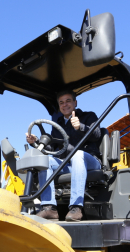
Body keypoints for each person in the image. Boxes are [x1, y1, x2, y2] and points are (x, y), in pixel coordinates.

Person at [26, 90, 102, 221]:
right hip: (68, 163)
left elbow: (97, 135)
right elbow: (53, 148)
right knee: (46, 160)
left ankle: (76, 207)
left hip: (90, 161)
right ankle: (49, 207)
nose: (65, 104)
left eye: (68, 101)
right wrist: (36, 141)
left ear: (75, 103)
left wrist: (81, 127)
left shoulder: (88, 116)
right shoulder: (58, 124)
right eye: (61, 102)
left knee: (77, 154)